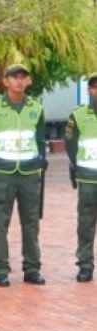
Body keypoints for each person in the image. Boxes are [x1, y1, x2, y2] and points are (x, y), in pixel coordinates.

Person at [0, 63, 47, 287]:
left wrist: (39, 161)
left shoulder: (36, 107)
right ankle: (0, 268)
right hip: (3, 172)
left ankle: (32, 268)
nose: (19, 81)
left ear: (28, 81)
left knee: (31, 222)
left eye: (23, 77)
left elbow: (39, 139)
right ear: (5, 81)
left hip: (29, 172)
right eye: (14, 77)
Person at [67, 72, 97, 283]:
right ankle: (85, 265)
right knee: (85, 224)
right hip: (88, 178)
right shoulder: (78, 115)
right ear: (89, 90)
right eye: (94, 86)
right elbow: (70, 144)